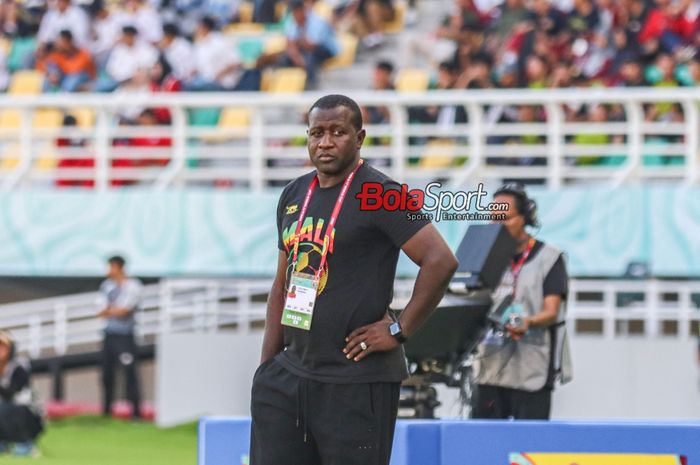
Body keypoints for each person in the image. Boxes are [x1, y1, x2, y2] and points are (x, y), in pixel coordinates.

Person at [250, 94, 458, 465]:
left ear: (359, 138)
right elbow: (283, 284)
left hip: (355, 382)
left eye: (337, 132)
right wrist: (267, 368)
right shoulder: (295, 194)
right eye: (316, 133)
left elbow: (440, 260)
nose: (325, 142)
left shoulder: (381, 193)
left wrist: (399, 330)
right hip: (290, 376)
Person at [471, 182, 572, 420]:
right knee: (483, 444)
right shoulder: (483, 254)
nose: (497, 225)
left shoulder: (550, 258)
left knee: (529, 443)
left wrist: (527, 322)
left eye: (504, 218)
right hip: (490, 365)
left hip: (531, 365)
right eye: (493, 218)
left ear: (525, 218)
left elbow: (551, 310)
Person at [97, 255, 143, 419]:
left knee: (129, 373)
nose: (108, 270)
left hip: (125, 336)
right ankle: (106, 413)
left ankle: (136, 413)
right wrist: (113, 311)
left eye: (111, 267)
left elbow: (126, 309)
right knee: (107, 373)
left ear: (118, 267)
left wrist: (111, 311)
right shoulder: (107, 286)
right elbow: (100, 310)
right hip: (109, 334)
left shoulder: (133, 286)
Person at [0, 331, 43, 457]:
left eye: (3, 346)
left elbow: (12, 392)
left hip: (28, 416)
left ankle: (25, 443)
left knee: (6, 409)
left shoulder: (19, 367)